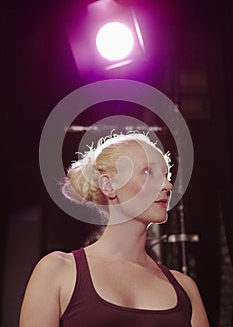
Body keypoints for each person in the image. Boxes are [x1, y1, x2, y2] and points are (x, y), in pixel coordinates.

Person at [19, 132, 209, 327]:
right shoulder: (57, 271)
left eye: (166, 174)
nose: (167, 185)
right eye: (148, 171)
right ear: (108, 185)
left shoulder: (185, 289)